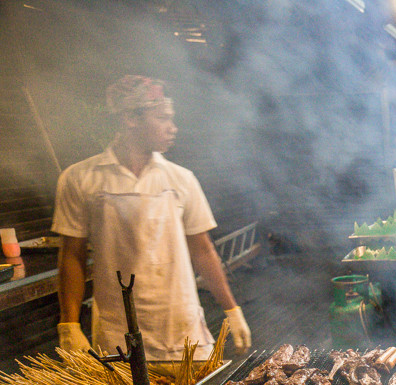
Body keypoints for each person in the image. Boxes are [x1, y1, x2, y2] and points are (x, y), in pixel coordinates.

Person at [52, 75, 251, 361]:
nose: (173, 128)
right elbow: (72, 255)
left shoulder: (181, 179)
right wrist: (68, 324)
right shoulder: (80, 178)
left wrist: (232, 310)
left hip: (181, 327)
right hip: (117, 332)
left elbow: (203, 250)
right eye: (163, 118)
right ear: (131, 118)